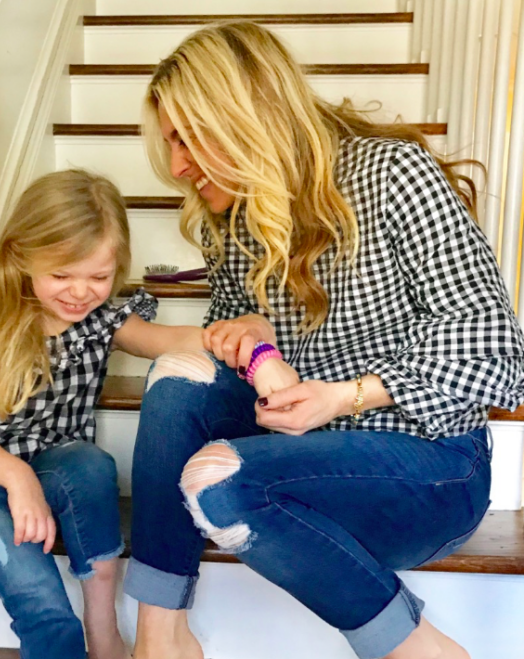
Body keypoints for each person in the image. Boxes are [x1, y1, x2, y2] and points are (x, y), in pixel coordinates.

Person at [123, 20, 524, 659]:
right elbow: (242, 341)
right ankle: (160, 639)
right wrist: (253, 335)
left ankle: (421, 649)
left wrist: (347, 397)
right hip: (303, 449)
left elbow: (496, 351)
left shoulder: (392, 173)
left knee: (220, 482)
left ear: (246, 114)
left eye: (188, 137)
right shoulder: (230, 218)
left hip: (428, 463)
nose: (176, 165)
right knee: (181, 373)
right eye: (170, 143)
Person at [0, 169, 268, 659]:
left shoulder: (101, 321)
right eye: (61, 275)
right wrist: (17, 479)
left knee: (89, 463)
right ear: (22, 258)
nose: (80, 292)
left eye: (99, 277)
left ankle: (103, 625)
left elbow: (169, 341)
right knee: (41, 602)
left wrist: (238, 333)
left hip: (57, 464)